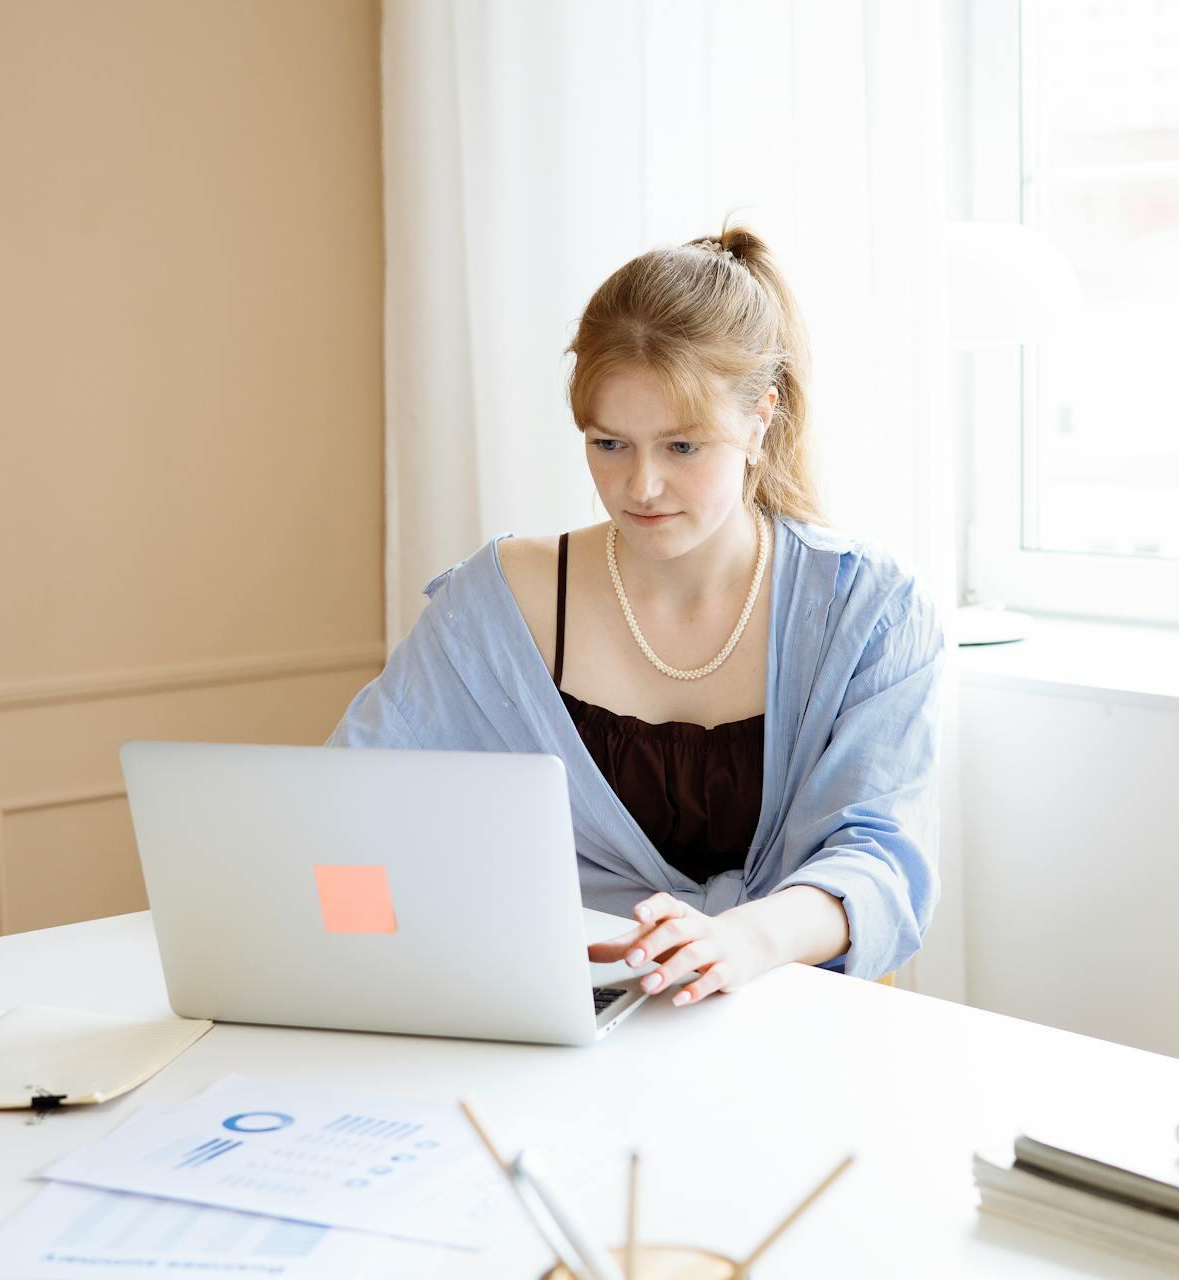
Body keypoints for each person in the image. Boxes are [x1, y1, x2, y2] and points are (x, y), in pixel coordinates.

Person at [327, 224, 944, 1005]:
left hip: (788, 1008)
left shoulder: (872, 610)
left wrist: (742, 941)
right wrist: (354, 971)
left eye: (682, 447)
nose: (641, 487)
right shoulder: (496, 604)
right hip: (553, 1013)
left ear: (761, 418)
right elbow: (347, 806)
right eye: (610, 444)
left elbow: (882, 861)